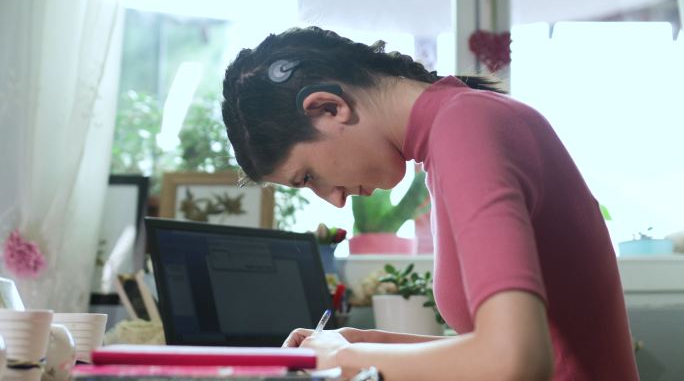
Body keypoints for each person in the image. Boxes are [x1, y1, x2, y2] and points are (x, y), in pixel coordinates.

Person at [221, 26, 638, 380]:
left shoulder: (465, 129)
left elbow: (517, 360)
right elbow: (521, 346)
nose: (332, 199)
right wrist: (369, 343)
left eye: (308, 177)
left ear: (330, 108)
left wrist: (344, 359)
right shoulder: (460, 126)